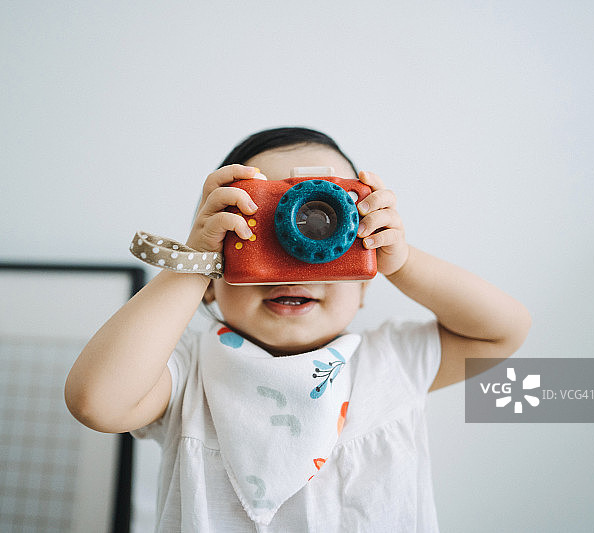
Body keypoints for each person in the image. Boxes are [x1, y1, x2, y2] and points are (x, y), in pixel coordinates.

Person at [65, 127, 531, 532]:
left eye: (326, 226)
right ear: (211, 281)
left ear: (364, 281)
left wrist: (402, 262)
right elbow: (97, 402)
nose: (295, 263)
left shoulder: (392, 363)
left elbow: (503, 331)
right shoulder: (186, 372)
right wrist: (192, 262)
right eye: (259, 230)